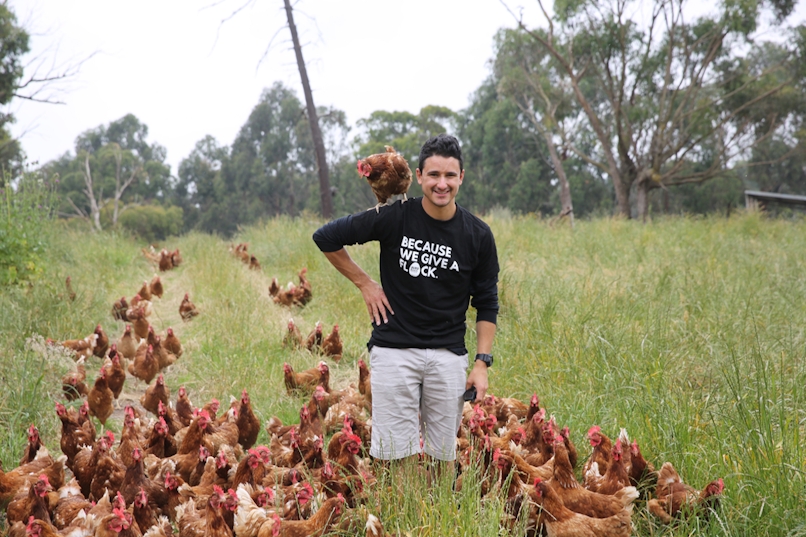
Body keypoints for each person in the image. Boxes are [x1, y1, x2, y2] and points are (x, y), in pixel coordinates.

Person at [312, 133, 499, 463]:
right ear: (420, 176)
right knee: (398, 457)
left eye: (450, 175)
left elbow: (487, 302)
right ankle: (406, 500)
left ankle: (438, 500)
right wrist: (365, 283)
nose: (442, 184)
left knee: (443, 457)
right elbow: (326, 237)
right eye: (434, 175)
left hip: (448, 356)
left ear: (461, 177)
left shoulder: (478, 234)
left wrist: (481, 364)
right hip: (394, 351)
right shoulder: (394, 216)